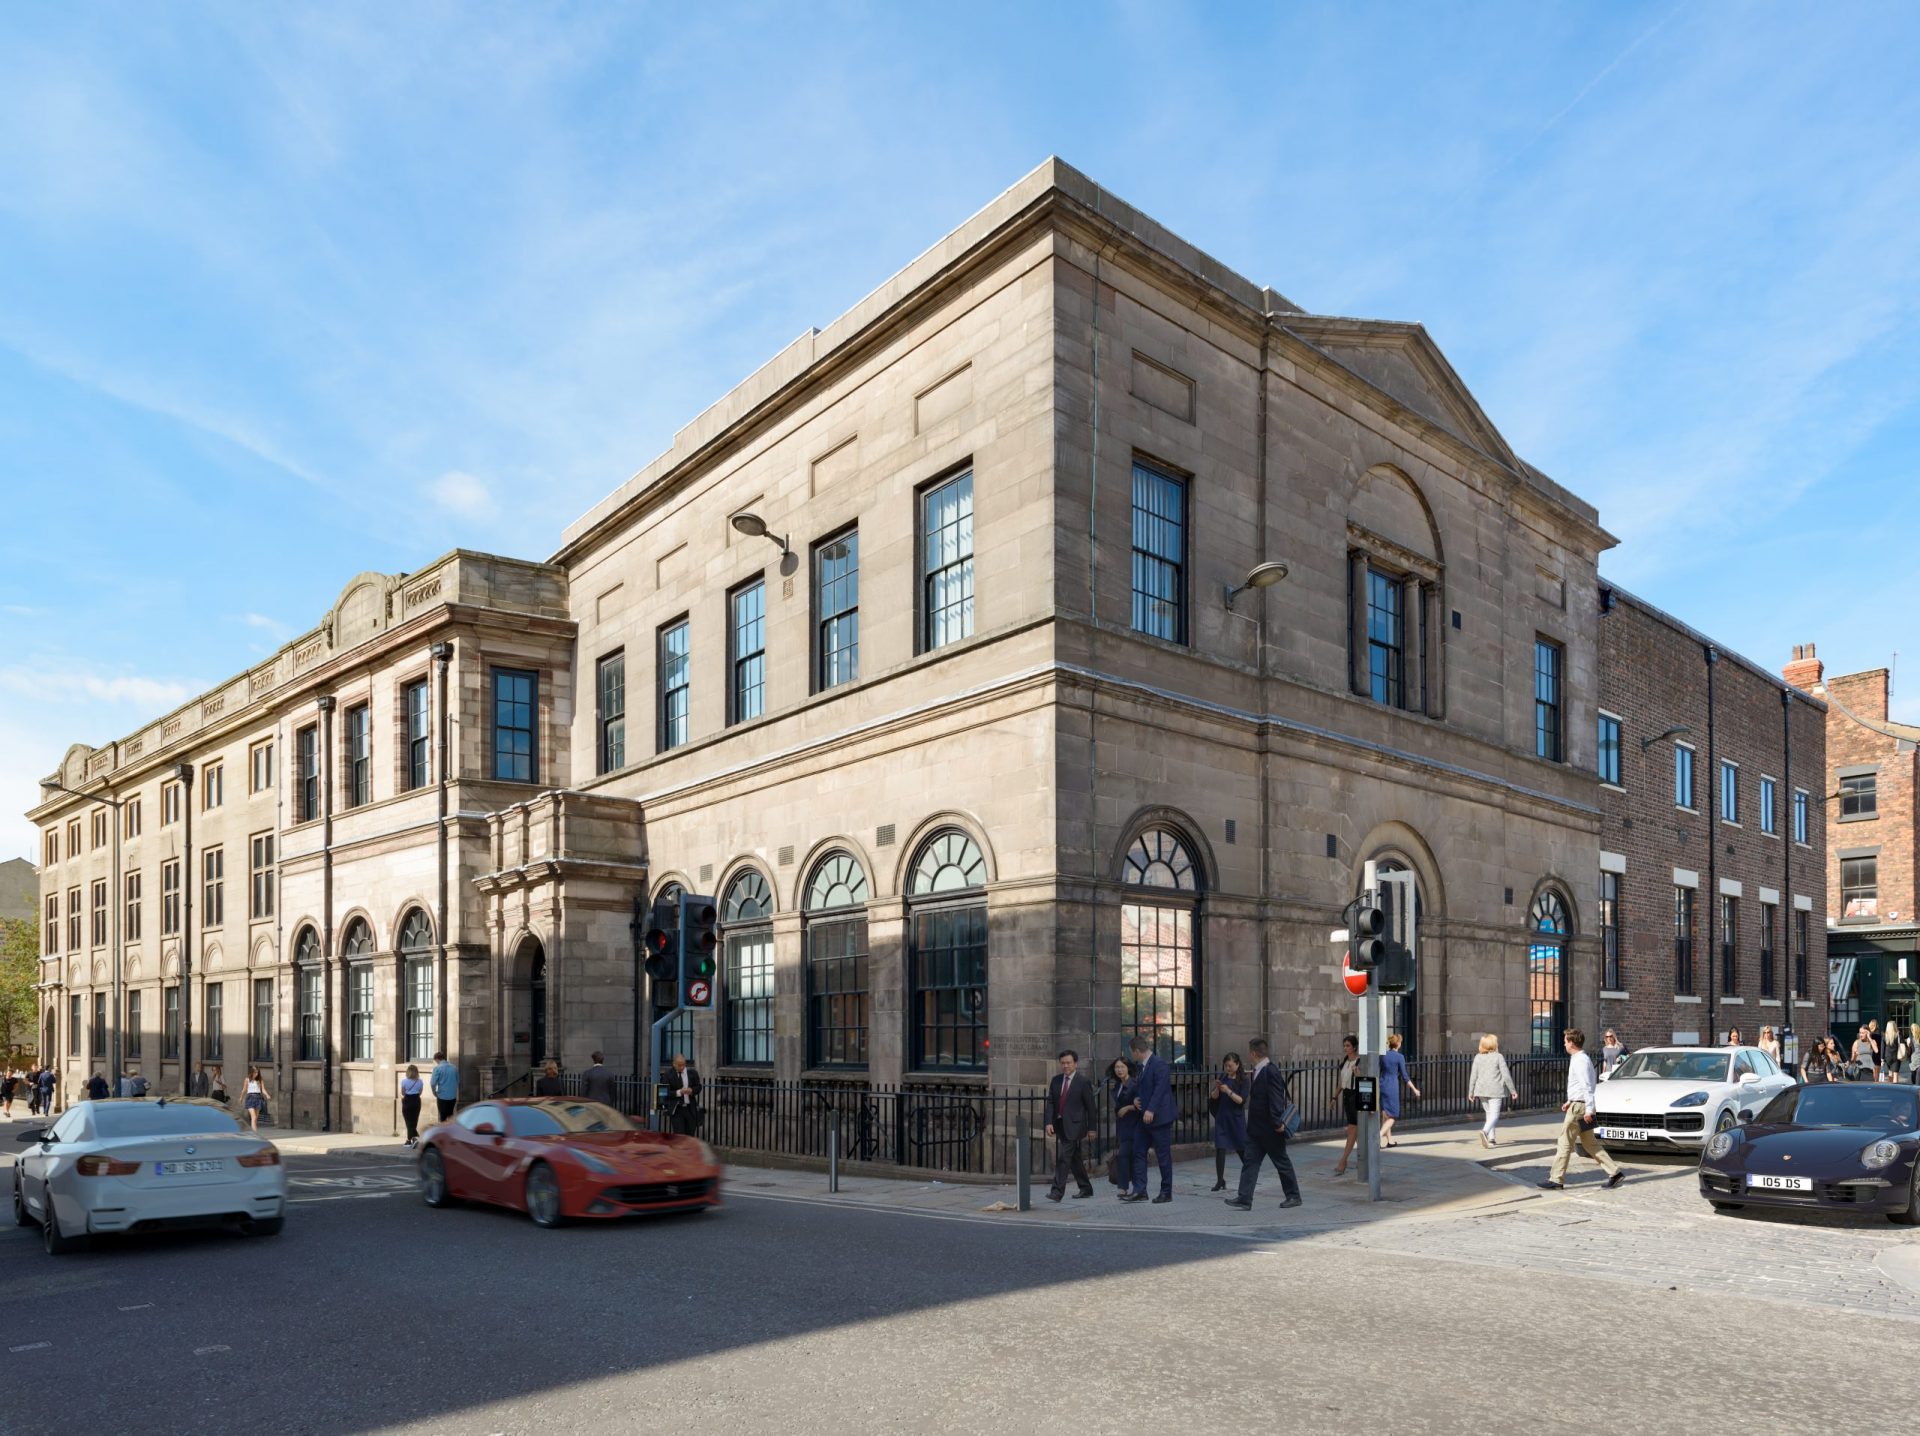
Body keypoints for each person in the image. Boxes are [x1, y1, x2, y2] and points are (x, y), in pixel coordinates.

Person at [1539, 1029, 1624, 1192]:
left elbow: (1587, 1086)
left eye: (1565, 1041)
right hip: (1578, 1104)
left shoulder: (1580, 1061)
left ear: (1571, 1042)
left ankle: (1556, 1179)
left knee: (1564, 1142)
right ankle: (1615, 1173)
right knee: (1590, 1143)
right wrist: (1569, 1100)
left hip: (1580, 1108)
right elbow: (1580, 1085)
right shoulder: (1579, 1059)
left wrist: (1589, 1110)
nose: (1564, 1043)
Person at [1225, 1038, 1302, 1211]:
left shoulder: (1270, 1071)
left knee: (1282, 1162)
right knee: (1250, 1162)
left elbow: (1276, 1098)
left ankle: (1294, 1196)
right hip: (1256, 1130)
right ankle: (1245, 1198)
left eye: (1249, 1052)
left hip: (1270, 1129)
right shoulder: (1259, 1070)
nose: (1248, 1055)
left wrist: (1277, 1123)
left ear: (1253, 1053)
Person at [1126, 1035, 1175, 1204]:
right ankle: (1140, 1190)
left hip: (1159, 1118)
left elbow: (1160, 1089)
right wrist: (1136, 1100)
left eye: (1132, 1053)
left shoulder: (1159, 1064)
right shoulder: (1141, 1066)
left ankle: (1166, 1191)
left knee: (1163, 1156)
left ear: (1138, 1051)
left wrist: (1151, 1109)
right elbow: (1141, 1088)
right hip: (1143, 1118)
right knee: (1138, 1151)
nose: (1132, 1056)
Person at [1044, 1049, 1097, 1201]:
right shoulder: (1056, 1080)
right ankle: (1086, 1188)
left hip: (1075, 1126)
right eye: (1063, 1063)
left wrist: (1092, 1128)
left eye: (1068, 1063)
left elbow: (1091, 1107)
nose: (1065, 1066)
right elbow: (1051, 1102)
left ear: (1075, 1063)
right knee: (1074, 1158)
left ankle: (1057, 1192)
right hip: (1060, 1124)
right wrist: (1048, 1122)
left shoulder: (1082, 1082)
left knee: (1064, 1158)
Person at [1469, 1033, 1519, 1147]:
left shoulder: (1478, 1057)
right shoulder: (1498, 1057)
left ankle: (1492, 1138)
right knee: (1494, 1115)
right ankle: (1485, 1132)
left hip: (1481, 1090)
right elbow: (1506, 1075)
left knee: (1489, 1114)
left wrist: (1470, 1092)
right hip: (1495, 1090)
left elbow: (1473, 1076)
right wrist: (1513, 1091)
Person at [1208, 1053, 1248, 1191]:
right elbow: (1213, 1097)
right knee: (1220, 1148)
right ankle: (1220, 1180)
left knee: (1241, 1149)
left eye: (1230, 1066)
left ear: (1237, 1064)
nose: (1228, 1068)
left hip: (1236, 1119)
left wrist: (1228, 1091)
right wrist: (1217, 1090)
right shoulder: (1223, 1077)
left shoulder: (1243, 1080)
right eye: (1226, 1065)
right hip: (1222, 1117)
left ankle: (1249, 1177)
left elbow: (1241, 1100)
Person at [1106, 1057, 1140, 1199]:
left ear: (1128, 1068)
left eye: (1122, 1067)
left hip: (1134, 1125)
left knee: (1127, 1155)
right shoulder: (1118, 1085)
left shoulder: (1134, 1084)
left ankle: (1127, 1187)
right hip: (1123, 1126)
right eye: (1117, 1067)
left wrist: (1128, 1107)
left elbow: (1141, 1104)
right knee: (1125, 1156)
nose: (1119, 1070)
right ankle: (1124, 1187)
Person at [1379, 1032, 1420, 1147]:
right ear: (1398, 1044)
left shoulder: (1383, 1055)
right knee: (1393, 1116)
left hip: (1382, 1085)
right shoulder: (1400, 1057)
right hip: (1392, 1086)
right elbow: (1405, 1077)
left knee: (1385, 1115)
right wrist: (1415, 1089)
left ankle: (1390, 1141)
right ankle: (1378, 1136)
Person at [664, 1053, 702, 1135]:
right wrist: (679, 1092)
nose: (682, 1067)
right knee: (679, 1136)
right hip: (677, 1109)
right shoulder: (668, 1074)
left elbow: (698, 1087)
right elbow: (664, 1092)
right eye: (679, 1065)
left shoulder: (692, 1073)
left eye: (684, 1065)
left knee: (690, 1135)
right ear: (674, 1064)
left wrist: (691, 1090)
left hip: (690, 1108)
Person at [399, 1065, 424, 1147]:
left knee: (408, 1121)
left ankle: (410, 1140)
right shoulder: (420, 1081)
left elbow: (403, 1093)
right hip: (416, 1101)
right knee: (414, 1120)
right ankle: (412, 1139)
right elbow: (420, 1093)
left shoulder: (404, 1081)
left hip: (407, 1101)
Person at [430, 1050, 459, 1121]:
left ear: (437, 1059)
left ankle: (443, 1131)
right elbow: (458, 1081)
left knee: (442, 1117)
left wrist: (434, 1092)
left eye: (436, 1061)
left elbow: (433, 1083)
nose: (436, 1063)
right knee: (450, 1116)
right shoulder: (454, 1067)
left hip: (442, 1096)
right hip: (452, 1096)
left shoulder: (437, 1068)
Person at [242, 1067, 268, 1133]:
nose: (256, 1074)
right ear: (251, 1072)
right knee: (253, 1117)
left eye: (257, 1072)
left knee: (255, 1118)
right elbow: (244, 1089)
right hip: (250, 1098)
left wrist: (267, 1095)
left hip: (258, 1098)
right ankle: (255, 1134)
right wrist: (241, 1097)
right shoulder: (247, 1079)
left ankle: (252, 1132)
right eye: (255, 1072)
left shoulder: (260, 1080)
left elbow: (263, 1089)